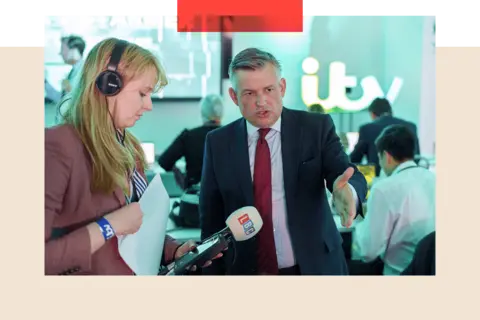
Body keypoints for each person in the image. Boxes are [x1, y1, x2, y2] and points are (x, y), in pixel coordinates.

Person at [45, 38, 221, 275]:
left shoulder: (129, 148)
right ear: (109, 84)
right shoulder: (59, 145)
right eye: (142, 93)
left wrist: (173, 249)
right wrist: (109, 226)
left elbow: (139, 225)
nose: (148, 105)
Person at [200, 48, 367, 275]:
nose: (261, 102)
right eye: (249, 93)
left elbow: (347, 174)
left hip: (316, 268)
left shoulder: (315, 128)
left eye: (268, 90)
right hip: (248, 273)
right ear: (233, 96)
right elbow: (211, 219)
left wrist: (350, 194)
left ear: (282, 88)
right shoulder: (218, 143)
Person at [350, 125, 435, 275]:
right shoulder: (434, 179)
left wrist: (356, 216)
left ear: (386, 156)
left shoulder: (384, 189)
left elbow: (368, 252)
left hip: (398, 273)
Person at [159, 94, 224, 228]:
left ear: (202, 113)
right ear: (221, 113)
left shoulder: (189, 136)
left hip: (194, 212)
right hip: (224, 212)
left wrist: (179, 174)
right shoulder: (233, 135)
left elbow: (164, 161)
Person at [349, 98, 420, 176]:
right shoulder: (411, 126)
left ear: (372, 114)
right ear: (391, 112)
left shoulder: (367, 129)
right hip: (408, 176)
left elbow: (355, 159)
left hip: (376, 178)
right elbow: (417, 157)